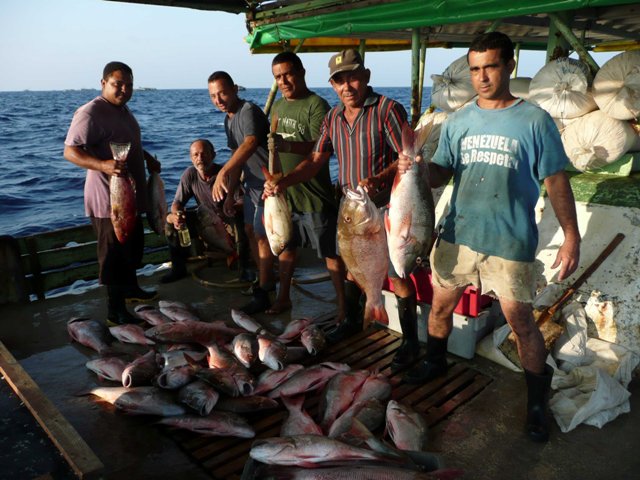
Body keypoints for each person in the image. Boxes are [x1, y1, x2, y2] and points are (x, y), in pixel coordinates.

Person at [398, 32, 581, 442]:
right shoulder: (458, 120)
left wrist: (571, 237)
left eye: (491, 67)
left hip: (510, 241)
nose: (482, 77)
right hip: (458, 235)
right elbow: (442, 172)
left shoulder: (535, 120)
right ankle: (436, 361)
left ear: (509, 66)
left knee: (522, 324)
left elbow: (555, 180)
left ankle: (536, 404)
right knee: (440, 307)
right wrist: (412, 171)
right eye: (475, 69)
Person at [264, 49, 420, 367]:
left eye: (351, 77)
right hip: (350, 210)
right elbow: (316, 160)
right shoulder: (333, 118)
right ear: (333, 85)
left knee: (398, 274)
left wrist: (380, 177)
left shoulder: (387, 110)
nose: (346, 86)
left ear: (365, 77)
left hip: (386, 209)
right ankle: (350, 321)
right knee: (350, 270)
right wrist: (284, 181)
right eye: (338, 80)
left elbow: (406, 157)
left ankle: (411, 342)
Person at [64, 61, 161, 326]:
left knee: (131, 247)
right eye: (118, 84)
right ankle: (115, 311)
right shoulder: (90, 113)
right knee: (114, 255)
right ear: (103, 83)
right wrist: (103, 165)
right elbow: (70, 151)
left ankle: (130, 290)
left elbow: (129, 146)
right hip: (108, 201)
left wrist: (148, 158)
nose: (124, 90)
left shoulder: (123, 110)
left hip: (130, 195)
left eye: (129, 85)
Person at [265, 51, 346, 319]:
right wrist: (273, 179)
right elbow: (273, 152)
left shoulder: (316, 105)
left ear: (301, 72)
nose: (284, 81)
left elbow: (319, 148)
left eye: (288, 74)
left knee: (330, 252)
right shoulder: (277, 107)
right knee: (286, 247)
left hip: (314, 195)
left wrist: (287, 144)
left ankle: (343, 305)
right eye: (278, 77)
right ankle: (284, 297)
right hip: (285, 194)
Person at [209, 71, 274, 314]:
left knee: (262, 236)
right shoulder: (228, 120)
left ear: (235, 89)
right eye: (213, 96)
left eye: (223, 92)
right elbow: (238, 159)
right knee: (249, 231)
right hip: (251, 186)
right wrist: (230, 193)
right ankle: (263, 279)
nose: (219, 99)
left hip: (268, 185)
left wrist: (223, 171)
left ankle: (265, 290)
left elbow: (250, 143)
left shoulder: (248, 111)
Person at [161, 138, 251, 284]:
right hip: (206, 221)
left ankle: (243, 267)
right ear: (191, 158)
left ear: (213, 155)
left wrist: (232, 207)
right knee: (170, 224)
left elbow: (243, 200)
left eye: (204, 154)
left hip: (228, 221)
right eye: (195, 155)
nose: (200, 159)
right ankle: (178, 269)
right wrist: (177, 215)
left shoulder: (224, 175)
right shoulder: (190, 174)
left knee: (240, 221)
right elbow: (177, 202)